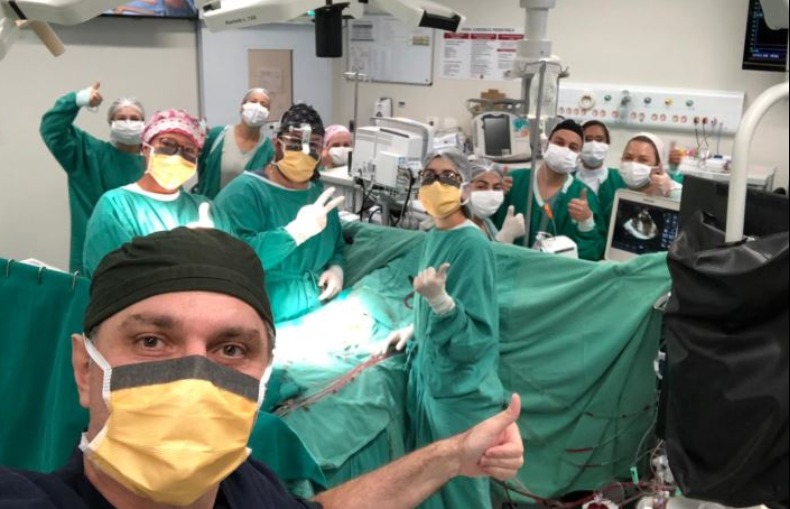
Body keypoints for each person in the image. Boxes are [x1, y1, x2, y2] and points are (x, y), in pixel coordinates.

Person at [0, 227, 525, 508]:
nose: (195, 376)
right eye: (152, 341)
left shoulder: (245, 485)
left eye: (231, 350)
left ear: (264, 376)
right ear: (85, 370)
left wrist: (454, 454)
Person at [386, 149, 505, 509]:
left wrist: (440, 303)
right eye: (429, 176)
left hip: (460, 395)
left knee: (461, 497)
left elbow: (475, 341)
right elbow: (435, 301)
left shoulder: (472, 244)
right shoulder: (435, 234)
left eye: (448, 177)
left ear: (465, 190)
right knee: (431, 491)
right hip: (435, 384)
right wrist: (416, 328)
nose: (436, 183)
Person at [215, 103, 345, 323]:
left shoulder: (319, 197)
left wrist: (336, 268)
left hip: (317, 310)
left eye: (313, 145)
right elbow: (235, 261)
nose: (305, 151)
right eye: (296, 143)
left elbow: (337, 247)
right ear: (277, 145)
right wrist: (294, 233)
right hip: (262, 316)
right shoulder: (243, 194)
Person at [83, 109, 228, 278]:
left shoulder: (207, 209)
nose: (178, 155)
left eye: (189, 150)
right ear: (146, 149)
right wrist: (185, 249)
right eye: (168, 144)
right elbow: (113, 276)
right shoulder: (116, 206)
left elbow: (234, 264)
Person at [40, 82, 146, 275]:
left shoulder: (155, 168)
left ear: (144, 124)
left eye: (134, 118)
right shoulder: (88, 156)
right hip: (94, 264)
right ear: (111, 123)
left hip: (144, 264)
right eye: (121, 118)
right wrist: (77, 99)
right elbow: (52, 129)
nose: (128, 123)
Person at [494, 119, 606, 261]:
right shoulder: (514, 182)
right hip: (509, 266)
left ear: (578, 157)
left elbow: (592, 254)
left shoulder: (585, 197)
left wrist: (586, 223)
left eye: (573, 147)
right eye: (559, 143)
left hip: (556, 274)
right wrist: (495, 193)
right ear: (546, 145)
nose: (565, 149)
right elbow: (486, 229)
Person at [193, 88, 276, 199]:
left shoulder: (268, 150)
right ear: (242, 106)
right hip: (209, 206)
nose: (257, 107)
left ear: (267, 114)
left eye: (263, 104)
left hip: (243, 209)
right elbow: (198, 167)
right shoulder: (217, 136)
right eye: (253, 101)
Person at [576, 120, 626, 223]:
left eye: (599, 140)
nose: (593, 145)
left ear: (607, 144)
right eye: (587, 139)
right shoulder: (568, 180)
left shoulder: (620, 179)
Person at [467, 161, 526, 244]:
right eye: (481, 187)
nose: (490, 193)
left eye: (496, 188)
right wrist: (505, 236)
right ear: (464, 188)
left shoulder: (487, 224)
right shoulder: (459, 228)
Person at [619, 132, 682, 201]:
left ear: (657, 165)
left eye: (643, 160)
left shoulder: (677, 193)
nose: (633, 165)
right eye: (628, 158)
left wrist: (671, 194)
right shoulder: (619, 190)